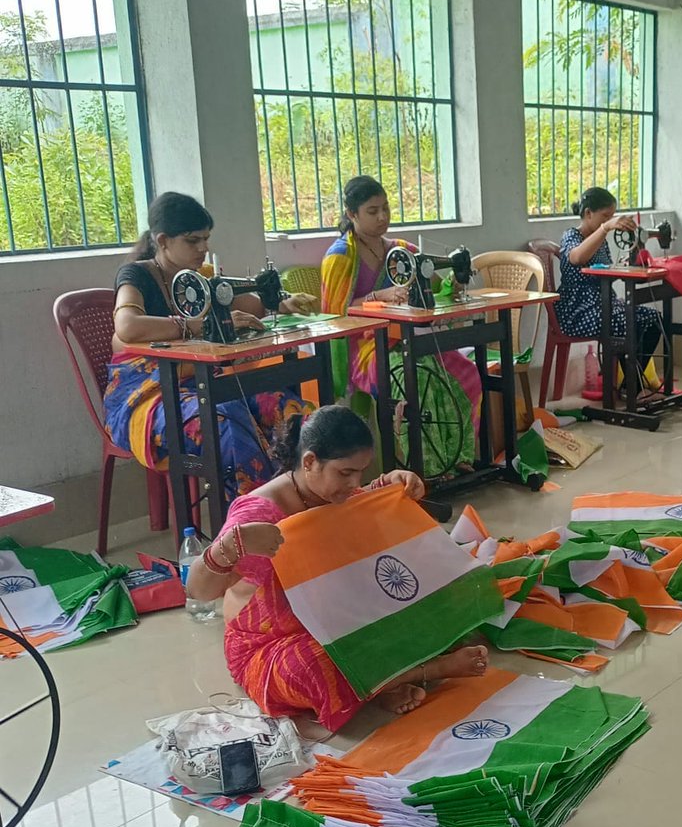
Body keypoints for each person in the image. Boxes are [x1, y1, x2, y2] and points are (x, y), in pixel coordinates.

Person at [185, 405, 490, 736]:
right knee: (316, 666)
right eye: (345, 473)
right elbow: (199, 592)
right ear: (310, 462)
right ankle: (425, 670)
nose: (354, 483)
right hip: (274, 644)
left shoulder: (337, 495)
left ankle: (378, 686)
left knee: (432, 604)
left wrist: (389, 489)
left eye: (361, 473)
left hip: (338, 621)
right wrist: (231, 544)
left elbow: (368, 534)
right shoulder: (259, 513)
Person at [104, 192, 316, 502]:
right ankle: (254, 516)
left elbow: (247, 305)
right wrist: (194, 325)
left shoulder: (198, 279)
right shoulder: (136, 275)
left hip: (204, 382)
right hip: (148, 396)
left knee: (289, 408)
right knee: (229, 423)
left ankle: (310, 500)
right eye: (193, 241)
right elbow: (127, 326)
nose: (204, 248)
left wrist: (281, 304)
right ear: (162, 240)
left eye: (206, 239)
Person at [320, 175, 482, 468]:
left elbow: (435, 286)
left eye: (386, 208)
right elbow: (336, 313)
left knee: (467, 373)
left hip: (409, 340)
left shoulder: (401, 250)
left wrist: (455, 283)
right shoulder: (340, 257)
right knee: (417, 379)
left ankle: (457, 457)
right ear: (351, 214)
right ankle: (427, 467)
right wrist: (378, 295)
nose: (382, 217)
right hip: (367, 349)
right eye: (372, 211)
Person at [558, 186, 662, 393]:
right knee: (626, 320)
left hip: (605, 304)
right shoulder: (572, 236)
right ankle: (632, 386)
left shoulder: (601, 242)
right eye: (605, 216)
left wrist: (624, 265)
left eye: (611, 217)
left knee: (653, 319)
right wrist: (605, 228)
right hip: (578, 311)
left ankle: (632, 382)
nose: (610, 221)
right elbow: (576, 258)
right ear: (588, 213)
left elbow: (602, 270)